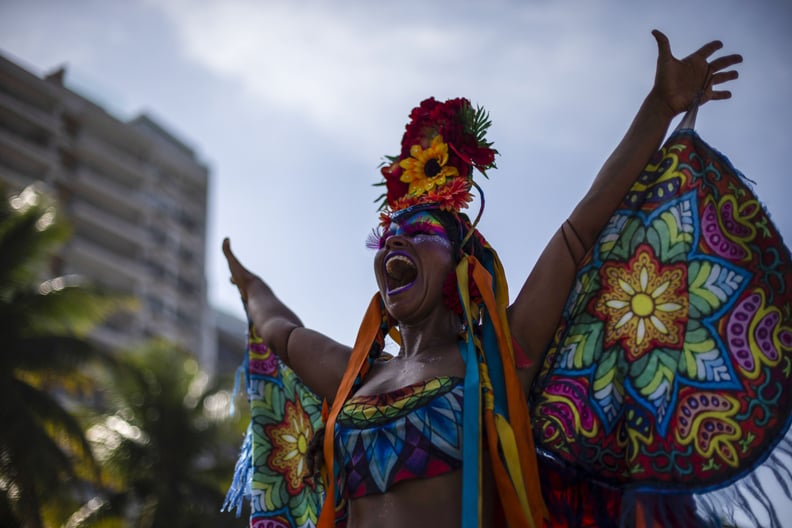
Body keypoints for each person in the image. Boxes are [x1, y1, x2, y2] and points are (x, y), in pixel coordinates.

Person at [222, 30, 792, 527]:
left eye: (420, 233)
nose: (395, 240)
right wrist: (249, 286)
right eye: (388, 235)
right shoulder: (352, 379)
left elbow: (579, 233)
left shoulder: (498, 362)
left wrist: (657, 108)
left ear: (463, 268)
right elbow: (280, 330)